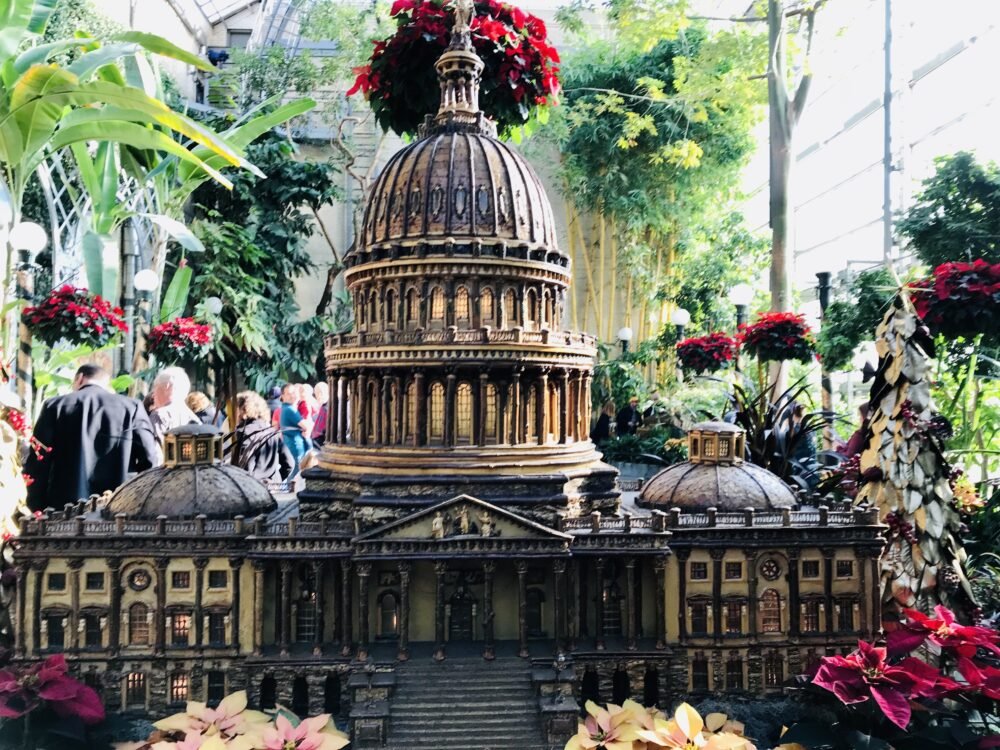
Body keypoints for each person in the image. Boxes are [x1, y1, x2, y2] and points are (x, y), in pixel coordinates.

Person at [24, 365, 158, 509]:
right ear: (107, 383)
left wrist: (36, 505)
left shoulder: (55, 406)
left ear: (80, 378)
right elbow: (149, 458)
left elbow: (39, 459)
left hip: (63, 507)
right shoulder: (132, 407)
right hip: (116, 506)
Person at [231, 391, 293, 483]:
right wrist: (277, 480)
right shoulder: (272, 432)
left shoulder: (243, 433)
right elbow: (289, 464)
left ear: (242, 410)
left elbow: (245, 466)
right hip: (274, 487)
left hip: (253, 487)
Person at [149, 367, 200, 455]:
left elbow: (154, 455)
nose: (153, 395)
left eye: (155, 387)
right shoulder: (194, 418)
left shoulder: (159, 416)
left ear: (167, 386)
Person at [278, 383, 310, 478]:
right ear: (283, 396)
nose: (292, 395)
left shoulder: (287, 408)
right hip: (296, 445)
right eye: (289, 393)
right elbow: (306, 426)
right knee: (296, 471)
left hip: (292, 443)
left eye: (293, 392)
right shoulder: (290, 409)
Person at [311, 381, 329, 447]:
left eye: (316, 394)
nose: (316, 397)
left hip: (323, 438)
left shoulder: (326, 406)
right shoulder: (324, 405)